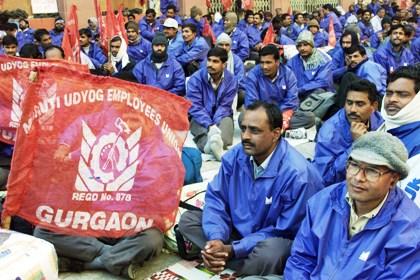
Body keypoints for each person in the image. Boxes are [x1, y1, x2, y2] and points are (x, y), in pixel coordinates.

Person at [178, 101, 323, 276]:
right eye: (244, 128)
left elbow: (283, 230)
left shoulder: (298, 175)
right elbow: (216, 198)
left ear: (276, 133)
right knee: (189, 220)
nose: (245, 136)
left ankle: (228, 261)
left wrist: (234, 249)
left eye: (254, 130)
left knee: (272, 252)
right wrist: (216, 238)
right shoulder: (236, 155)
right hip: (236, 235)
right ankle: (226, 258)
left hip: (268, 241)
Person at [285, 131, 420, 279]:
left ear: (393, 180)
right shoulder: (323, 201)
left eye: (371, 171)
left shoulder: (409, 232)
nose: (358, 177)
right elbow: (301, 260)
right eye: (354, 165)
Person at [313, 79, 383, 187]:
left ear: (374, 106)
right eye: (349, 103)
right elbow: (325, 177)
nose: (352, 109)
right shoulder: (329, 132)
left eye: (360, 104)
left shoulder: (379, 120)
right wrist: (356, 145)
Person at [378, 66, 420, 207]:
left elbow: (409, 206)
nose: (392, 99)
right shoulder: (385, 126)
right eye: (389, 93)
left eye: (402, 94)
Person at [186, 47, 237, 161]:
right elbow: (195, 106)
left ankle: (217, 144)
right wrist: (209, 124)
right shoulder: (196, 79)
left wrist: (215, 124)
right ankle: (208, 147)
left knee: (225, 137)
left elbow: (225, 105)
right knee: (201, 131)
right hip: (200, 116)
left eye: (215, 61)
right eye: (209, 60)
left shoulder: (232, 80)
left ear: (224, 64)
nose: (210, 64)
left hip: (223, 115)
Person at [242, 45, 299, 130]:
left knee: (308, 117)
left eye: (268, 62)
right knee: (242, 118)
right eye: (262, 62)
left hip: (282, 113)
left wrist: (278, 114)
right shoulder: (253, 75)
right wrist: (267, 114)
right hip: (261, 114)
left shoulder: (288, 75)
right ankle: (274, 127)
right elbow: (251, 102)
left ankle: (264, 127)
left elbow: (292, 101)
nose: (264, 66)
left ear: (277, 62)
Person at [287, 31, 334, 99]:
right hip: (297, 95)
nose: (302, 48)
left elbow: (322, 82)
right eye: (299, 46)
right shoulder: (292, 62)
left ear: (312, 45)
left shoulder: (323, 60)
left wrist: (301, 89)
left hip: (318, 96)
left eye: (305, 45)